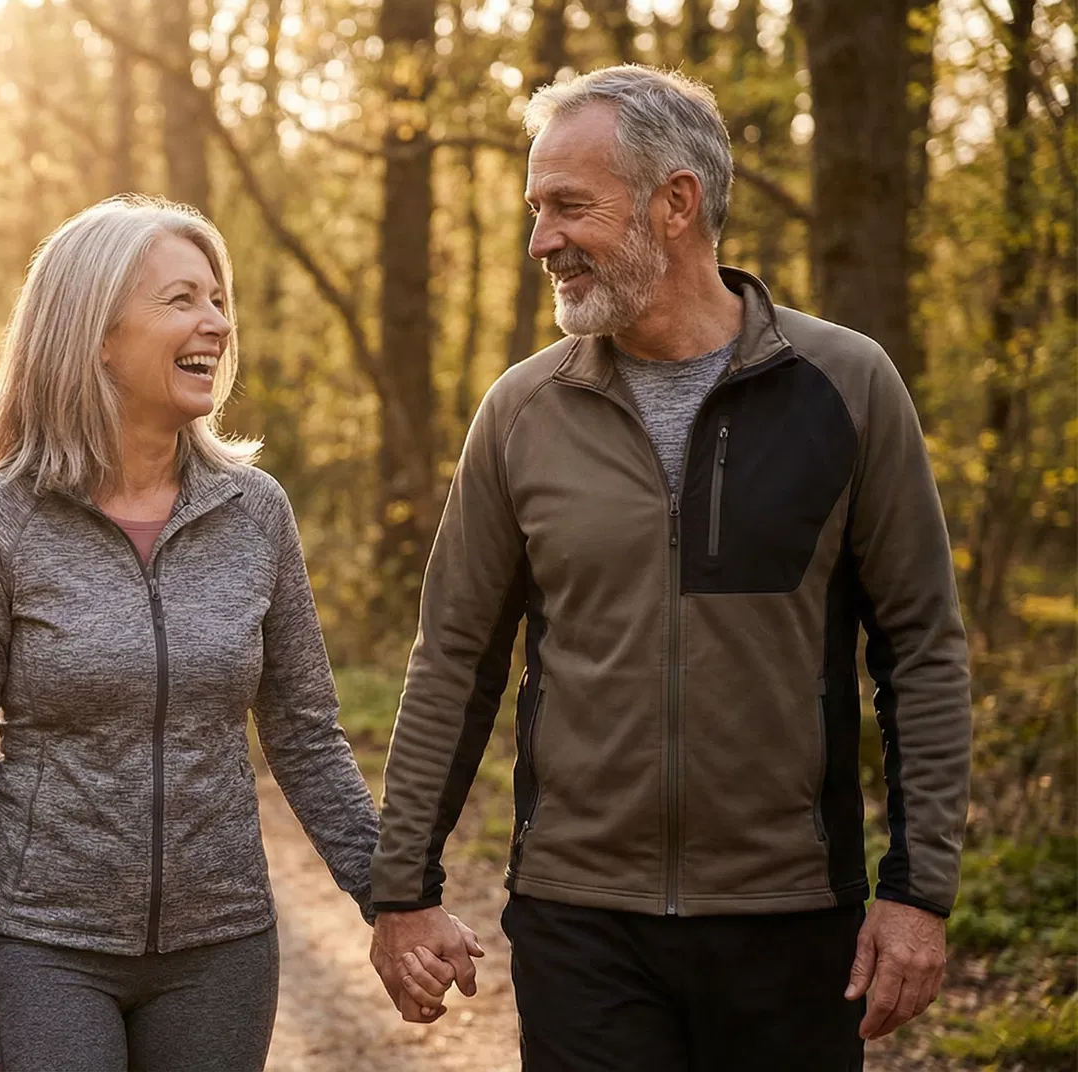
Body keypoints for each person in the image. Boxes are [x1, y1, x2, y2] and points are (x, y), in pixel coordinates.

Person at [367, 66, 972, 1072]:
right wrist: (402, 890)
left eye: (569, 206)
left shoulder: (847, 386)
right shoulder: (521, 413)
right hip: (580, 921)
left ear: (676, 202)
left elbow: (924, 653)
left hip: (792, 917)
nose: (540, 241)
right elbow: (454, 663)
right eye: (533, 209)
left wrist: (920, 893)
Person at [0, 195, 379, 1072]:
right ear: (96, 334)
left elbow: (306, 736)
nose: (218, 321)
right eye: (182, 300)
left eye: (216, 298)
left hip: (223, 950)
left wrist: (395, 898)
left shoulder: (255, 512)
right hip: (41, 944)